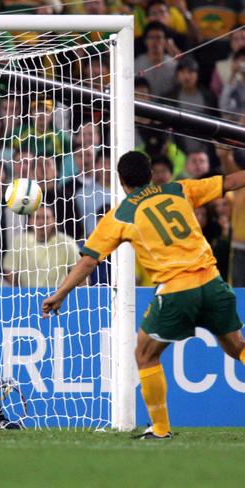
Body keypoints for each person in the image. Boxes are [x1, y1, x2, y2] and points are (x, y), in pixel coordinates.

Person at [41, 151, 245, 439]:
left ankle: (160, 430)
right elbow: (232, 181)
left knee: (145, 355)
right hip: (213, 283)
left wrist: (60, 293)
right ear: (151, 174)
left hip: (177, 291)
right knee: (238, 348)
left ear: (122, 181)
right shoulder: (179, 189)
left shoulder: (121, 214)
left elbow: (89, 260)